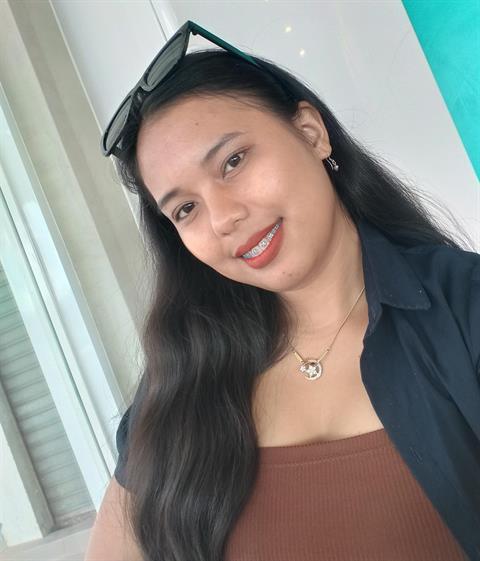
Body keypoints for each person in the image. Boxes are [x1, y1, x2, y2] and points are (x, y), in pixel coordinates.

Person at [85, 20, 480, 561]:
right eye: (186, 208)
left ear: (311, 133)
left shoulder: (465, 310)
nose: (223, 218)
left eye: (233, 161)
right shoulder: (179, 382)